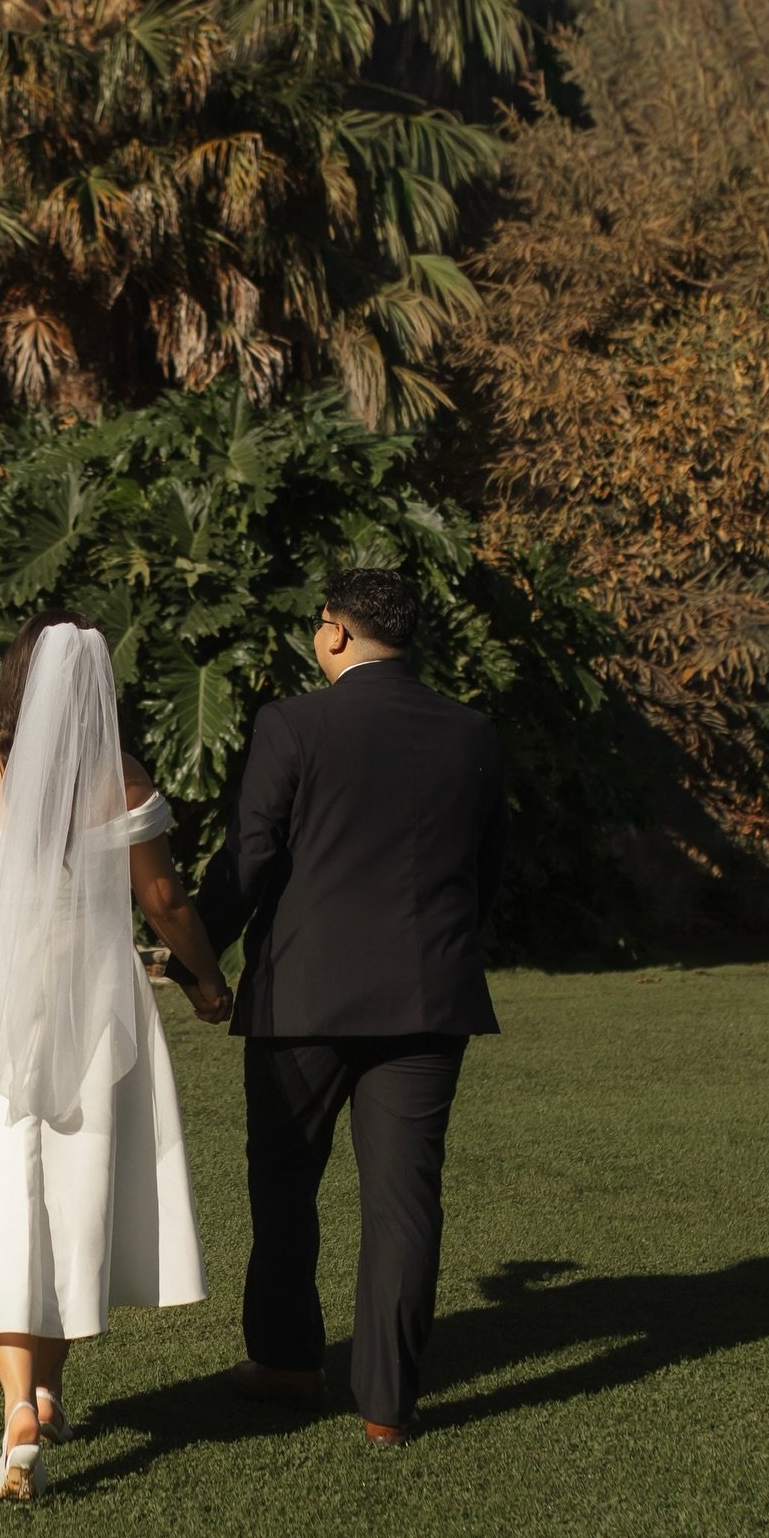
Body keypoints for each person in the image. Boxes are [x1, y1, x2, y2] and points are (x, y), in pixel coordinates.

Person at [0, 613, 231, 1501]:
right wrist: (209, 979)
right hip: (91, 994)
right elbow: (165, 896)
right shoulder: (120, 776)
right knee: (74, 1175)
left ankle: (21, 1401)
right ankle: (51, 1385)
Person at [169, 568, 507, 1444]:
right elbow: (486, 870)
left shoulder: (295, 722)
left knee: (285, 1179)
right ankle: (389, 1406)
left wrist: (195, 958)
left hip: (303, 997)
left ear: (337, 634)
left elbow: (250, 858)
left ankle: (285, 1362)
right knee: (405, 1198)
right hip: (431, 995)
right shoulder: (472, 729)